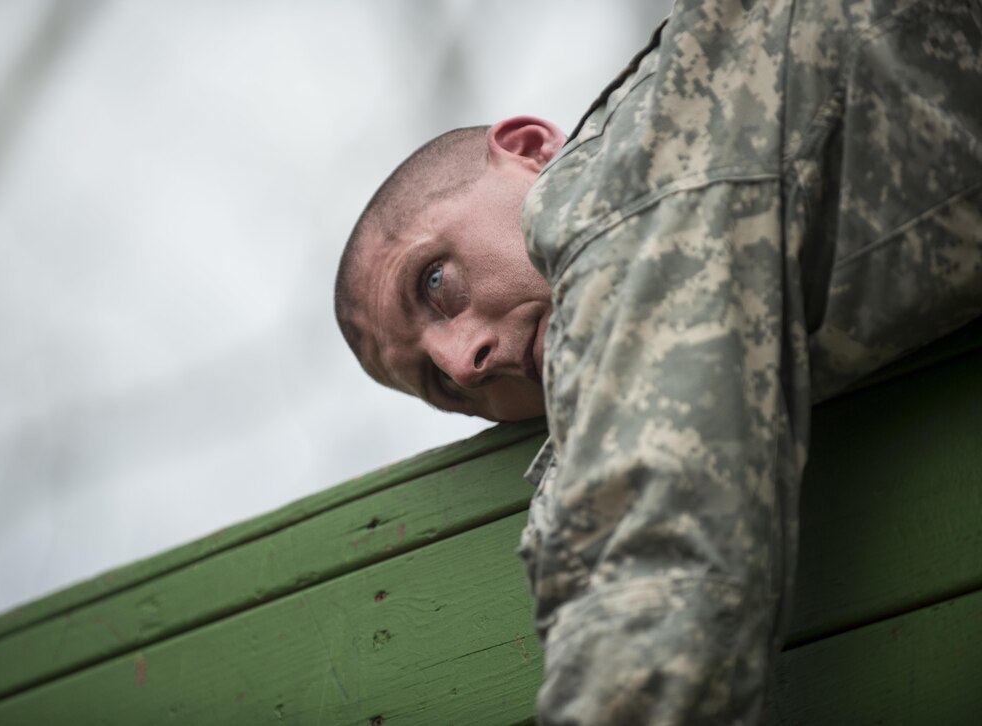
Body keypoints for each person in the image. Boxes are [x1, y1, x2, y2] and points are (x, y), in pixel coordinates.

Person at [335, 0, 982, 722]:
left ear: (529, 149)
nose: (464, 364)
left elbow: (649, 602)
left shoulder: (615, 185)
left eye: (435, 285)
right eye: (439, 387)